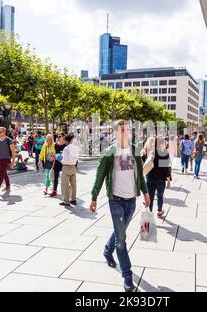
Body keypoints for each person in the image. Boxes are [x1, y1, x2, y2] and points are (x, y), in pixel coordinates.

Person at [90, 120, 150, 292]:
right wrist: (94, 197)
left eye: (128, 130)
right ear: (115, 132)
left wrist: (145, 193)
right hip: (115, 200)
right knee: (122, 240)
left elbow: (139, 174)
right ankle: (127, 276)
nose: (126, 132)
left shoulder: (135, 150)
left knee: (119, 232)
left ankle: (107, 251)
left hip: (131, 200)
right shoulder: (109, 153)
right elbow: (99, 176)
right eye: (122, 130)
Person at [142, 136, 171, 217]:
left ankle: (149, 212)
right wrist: (168, 181)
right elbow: (166, 169)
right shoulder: (164, 153)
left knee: (150, 197)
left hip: (150, 178)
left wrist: (143, 156)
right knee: (160, 196)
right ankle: (159, 211)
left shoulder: (152, 153)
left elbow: (146, 163)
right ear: (162, 143)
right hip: (161, 179)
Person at [60, 135, 79, 206]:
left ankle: (66, 201)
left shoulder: (66, 148)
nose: (64, 141)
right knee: (73, 184)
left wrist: (60, 160)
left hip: (66, 167)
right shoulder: (76, 148)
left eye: (64, 140)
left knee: (65, 184)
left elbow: (64, 160)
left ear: (67, 140)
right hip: (73, 167)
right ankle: (73, 199)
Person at [50, 132, 66, 197]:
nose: (58, 138)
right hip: (56, 163)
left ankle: (66, 191)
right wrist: (52, 161)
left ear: (63, 137)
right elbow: (53, 154)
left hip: (64, 163)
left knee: (65, 178)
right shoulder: (55, 145)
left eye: (60, 136)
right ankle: (54, 190)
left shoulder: (66, 145)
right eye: (57, 136)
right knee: (55, 177)